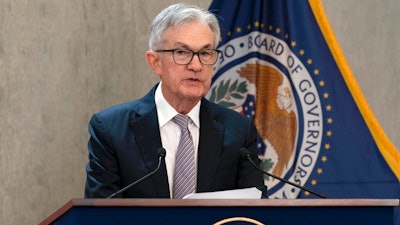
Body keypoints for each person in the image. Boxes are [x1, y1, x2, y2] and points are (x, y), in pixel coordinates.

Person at [84, 3, 264, 198]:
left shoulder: (238, 130)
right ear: (155, 62)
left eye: (205, 53)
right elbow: (100, 214)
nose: (196, 65)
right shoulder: (112, 130)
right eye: (182, 52)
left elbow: (255, 210)